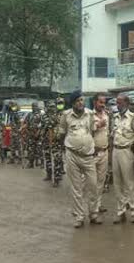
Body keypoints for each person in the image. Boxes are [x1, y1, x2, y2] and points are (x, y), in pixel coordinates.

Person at [57, 91, 100, 228]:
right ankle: (79, 217)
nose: (80, 103)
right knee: (76, 188)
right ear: (73, 103)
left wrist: (86, 145)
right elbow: (61, 134)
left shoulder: (90, 114)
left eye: (82, 100)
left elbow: (92, 132)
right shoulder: (66, 116)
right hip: (72, 155)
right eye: (77, 101)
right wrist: (69, 147)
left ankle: (93, 214)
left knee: (93, 186)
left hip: (88, 156)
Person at [112, 93, 134, 224]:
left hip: (127, 151)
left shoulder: (133, 117)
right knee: (118, 183)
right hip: (115, 151)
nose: (118, 105)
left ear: (127, 103)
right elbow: (111, 136)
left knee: (130, 182)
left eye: (120, 103)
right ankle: (121, 211)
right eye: (117, 103)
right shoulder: (115, 117)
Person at [92, 94, 111, 215]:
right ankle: (89, 207)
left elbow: (109, 133)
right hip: (92, 153)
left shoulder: (107, 115)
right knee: (90, 182)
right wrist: (97, 125)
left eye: (104, 102)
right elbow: (85, 130)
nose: (103, 104)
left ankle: (98, 205)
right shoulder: (88, 115)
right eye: (100, 102)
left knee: (100, 181)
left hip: (104, 151)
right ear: (94, 102)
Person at [41, 98, 65, 186]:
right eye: (58, 103)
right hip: (51, 140)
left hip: (61, 140)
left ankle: (57, 178)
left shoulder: (66, 114)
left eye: (61, 103)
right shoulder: (52, 116)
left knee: (58, 160)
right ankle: (49, 174)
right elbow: (49, 129)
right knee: (49, 158)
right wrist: (50, 141)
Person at [24, 103, 44, 169]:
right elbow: (26, 123)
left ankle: (42, 163)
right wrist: (27, 131)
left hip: (38, 135)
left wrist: (38, 132)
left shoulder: (41, 115)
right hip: (30, 134)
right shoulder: (29, 114)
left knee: (39, 149)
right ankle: (31, 163)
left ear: (37, 107)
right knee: (31, 150)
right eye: (32, 106)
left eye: (35, 106)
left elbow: (43, 125)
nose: (34, 108)